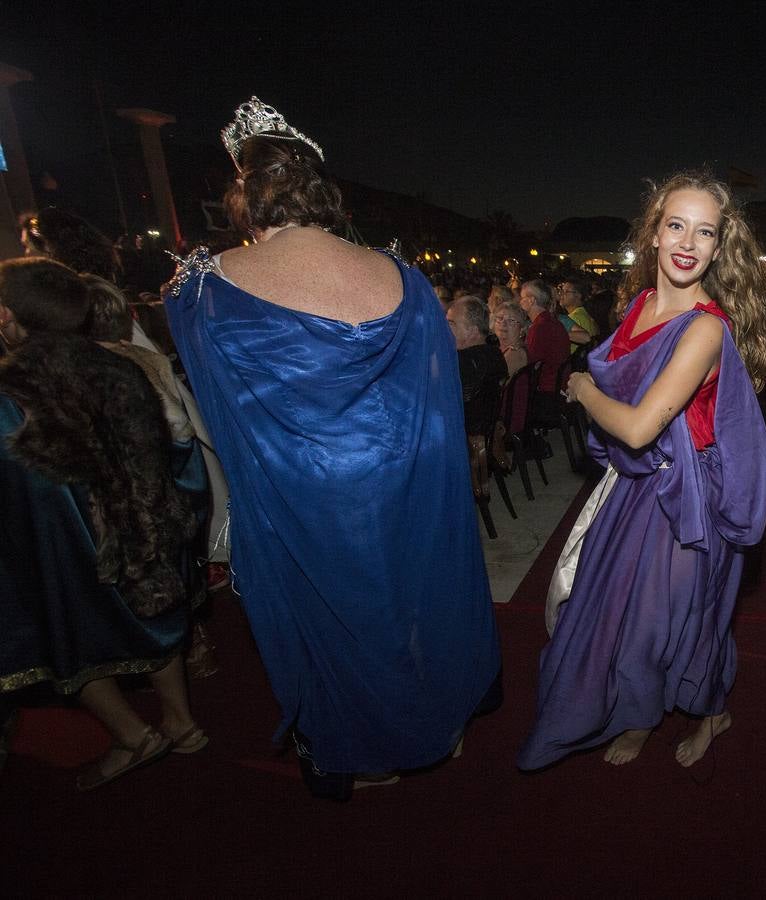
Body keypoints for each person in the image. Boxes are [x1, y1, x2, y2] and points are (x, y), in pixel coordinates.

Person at [164, 97, 501, 800]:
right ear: (320, 188)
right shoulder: (404, 276)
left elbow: (223, 420)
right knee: (415, 601)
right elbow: (437, 396)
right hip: (408, 472)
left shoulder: (203, 287)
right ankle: (439, 721)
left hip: (305, 490)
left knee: (341, 621)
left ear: (242, 195)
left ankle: (371, 750)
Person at [518, 171, 766, 771]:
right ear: (654, 233)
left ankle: (702, 713)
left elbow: (639, 427)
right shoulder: (640, 304)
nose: (688, 243)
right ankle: (641, 709)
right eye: (676, 226)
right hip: (636, 485)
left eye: (705, 232)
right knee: (616, 608)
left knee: (670, 618)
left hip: (685, 494)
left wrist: (582, 389)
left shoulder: (706, 328)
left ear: (719, 245)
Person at [0, 258, 207, 791]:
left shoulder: (12, 390)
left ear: (9, 317)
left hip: (62, 545)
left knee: (65, 635)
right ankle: (181, 723)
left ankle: (132, 735)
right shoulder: (119, 366)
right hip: (141, 527)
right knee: (155, 617)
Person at [447, 296, 508, 437]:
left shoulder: (464, 362)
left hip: (461, 436)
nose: (444, 329)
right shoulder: (494, 353)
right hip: (483, 432)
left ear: (473, 331)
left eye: (451, 323)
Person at [520, 279, 570, 393]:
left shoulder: (539, 327)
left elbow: (529, 364)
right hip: (558, 384)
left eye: (522, 298)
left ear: (531, 300)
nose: (520, 302)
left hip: (546, 388)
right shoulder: (552, 321)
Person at [492, 302, 530, 376]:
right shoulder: (497, 347)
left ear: (522, 329)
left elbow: (496, 381)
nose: (503, 323)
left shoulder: (516, 353)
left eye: (511, 320)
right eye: (500, 318)